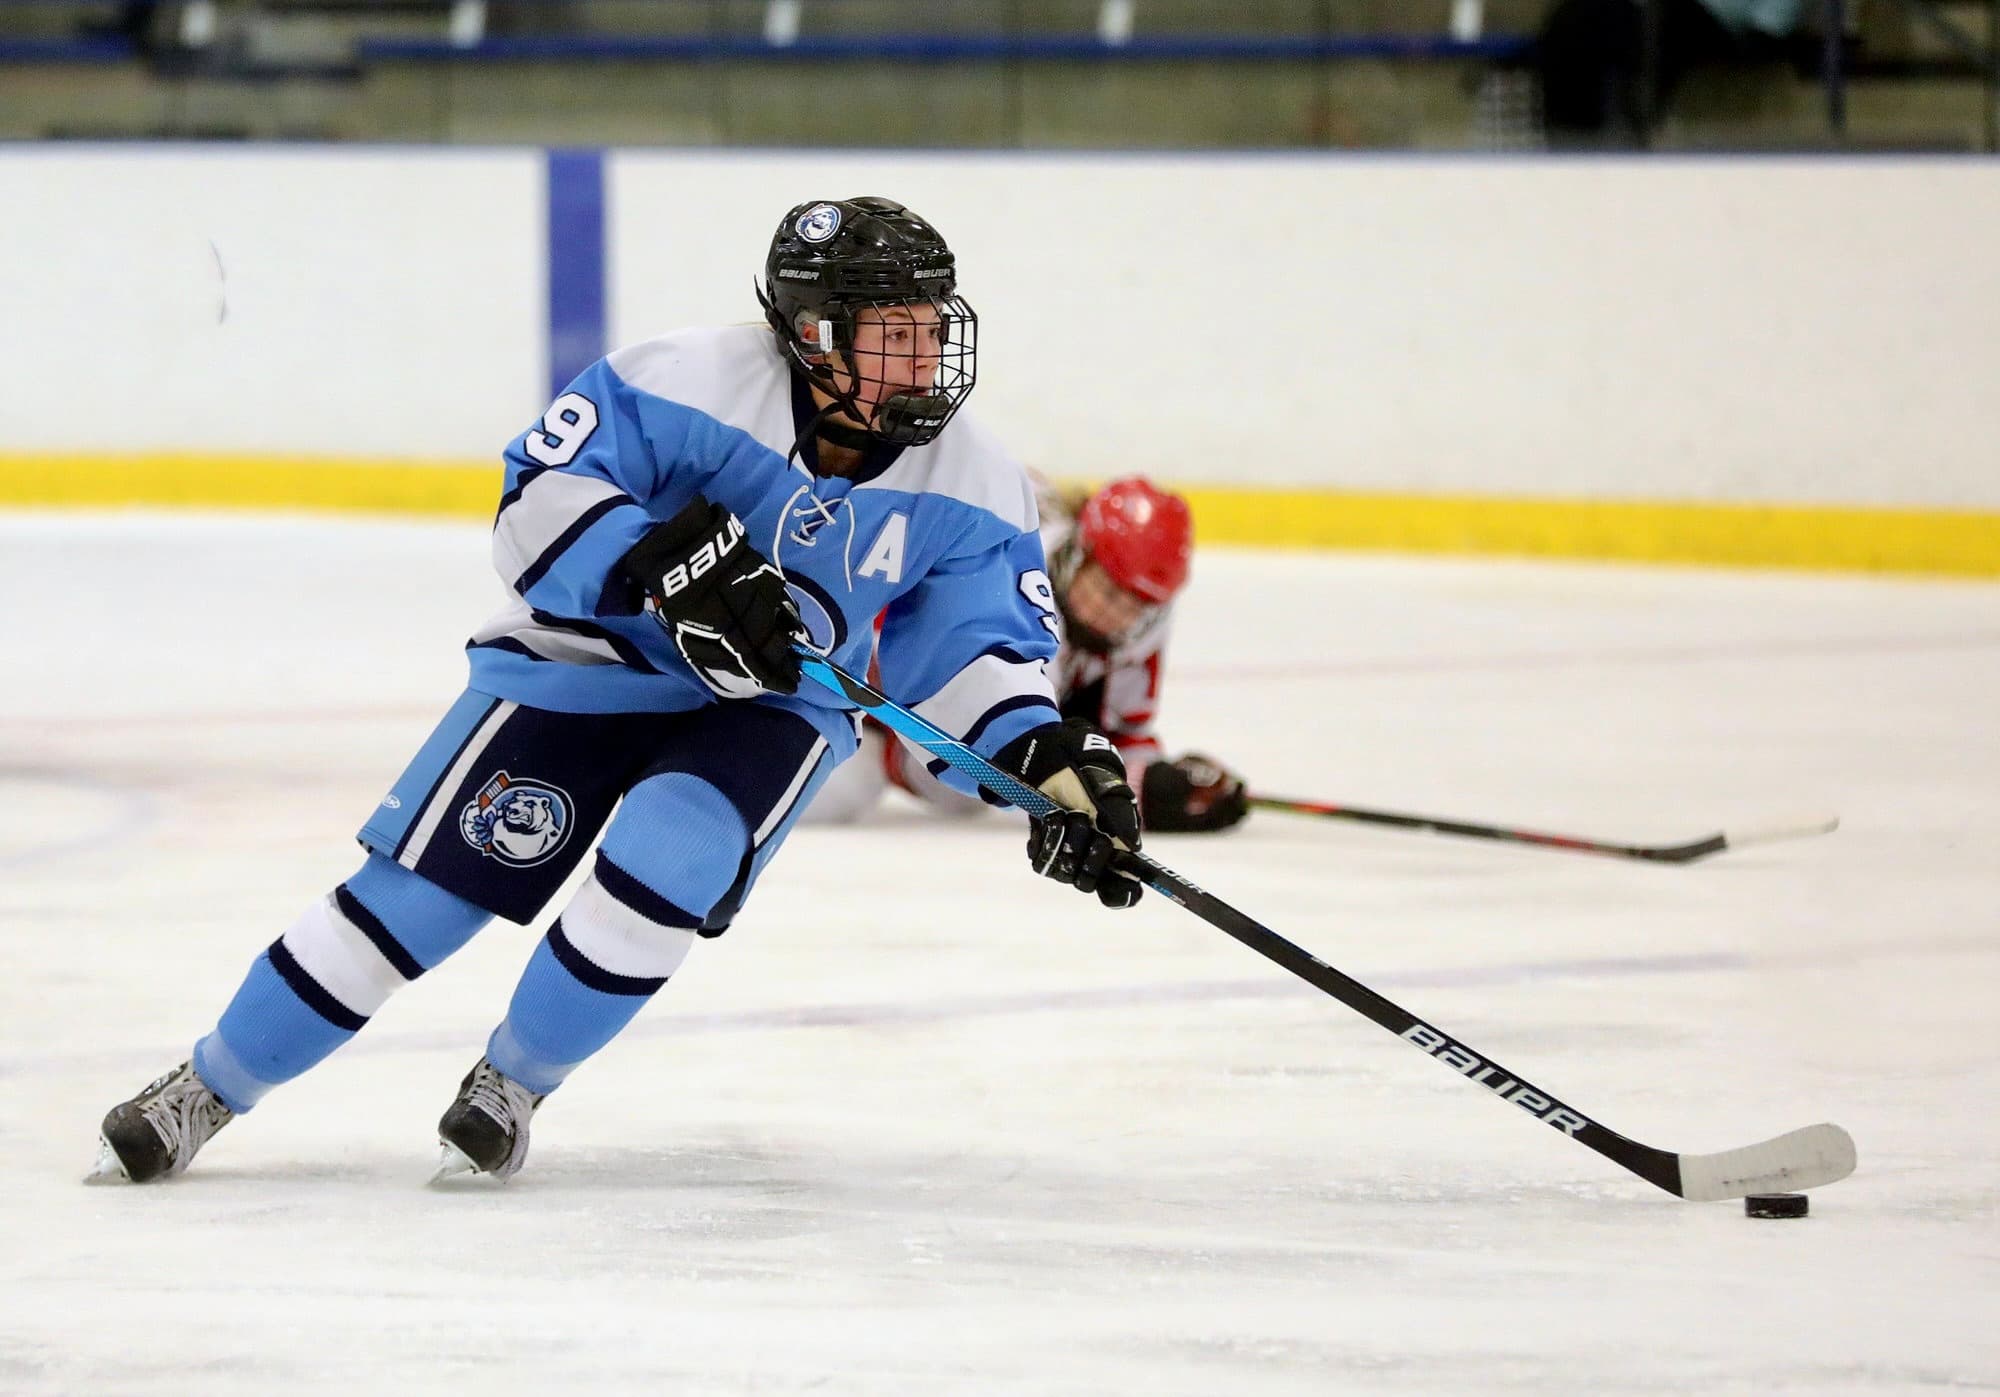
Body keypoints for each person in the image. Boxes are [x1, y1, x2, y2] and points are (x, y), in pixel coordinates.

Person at [89, 196, 1145, 1186]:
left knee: (671, 853)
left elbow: (975, 654)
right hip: (587, 667)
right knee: (423, 897)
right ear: (814, 334)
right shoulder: (679, 379)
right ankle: (208, 1084)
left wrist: (1047, 765)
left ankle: (514, 1080)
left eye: (929, 328)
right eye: (891, 333)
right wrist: (654, 567)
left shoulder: (973, 481)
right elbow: (530, 504)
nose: (922, 358)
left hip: (765, 707)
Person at [806, 475, 1249, 835]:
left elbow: (1124, 732)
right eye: (1106, 589)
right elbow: (1006, 760)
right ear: (1078, 556)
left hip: (907, 697)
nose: (1111, 614)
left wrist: (1164, 779)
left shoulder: (1139, 629)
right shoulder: (1018, 587)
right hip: (846, 669)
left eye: (1133, 606)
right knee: (850, 788)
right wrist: (1135, 794)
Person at [1534, 0, 1804, 148]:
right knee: (1572, 18)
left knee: (1656, 26)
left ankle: (1635, 135)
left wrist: (1768, 29)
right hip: (1650, 10)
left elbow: (1774, 27)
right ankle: (1564, 142)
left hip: (1718, 20)